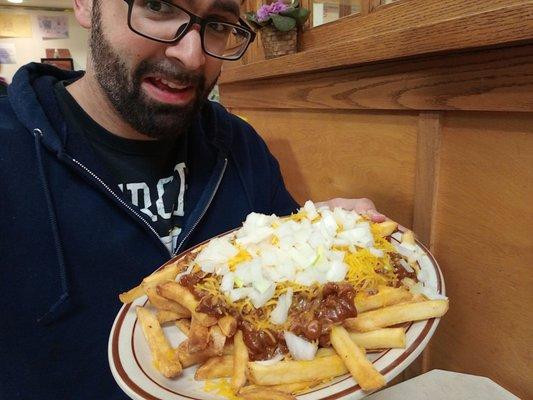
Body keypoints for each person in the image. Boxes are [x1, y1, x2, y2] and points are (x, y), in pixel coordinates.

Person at [0, 0, 385, 398]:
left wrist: (319, 230)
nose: (192, 56)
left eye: (218, 24)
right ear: (85, 5)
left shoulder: (240, 144)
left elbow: (284, 271)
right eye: (157, 6)